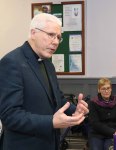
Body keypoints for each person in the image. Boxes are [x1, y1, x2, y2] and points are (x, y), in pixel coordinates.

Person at [0, 13, 88, 150]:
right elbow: (10, 116)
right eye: (51, 35)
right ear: (33, 33)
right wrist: (51, 122)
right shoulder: (12, 62)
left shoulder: (48, 64)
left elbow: (56, 99)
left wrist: (74, 110)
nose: (56, 42)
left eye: (58, 37)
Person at [88, 78, 116, 150]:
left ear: (111, 89)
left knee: (109, 148)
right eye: (103, 89)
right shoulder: (93, 103)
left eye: (108, 88)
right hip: (97, 134)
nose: (106, 91)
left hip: (113, 135)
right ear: (99, 90)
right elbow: (95, 124)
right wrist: (114, 131)